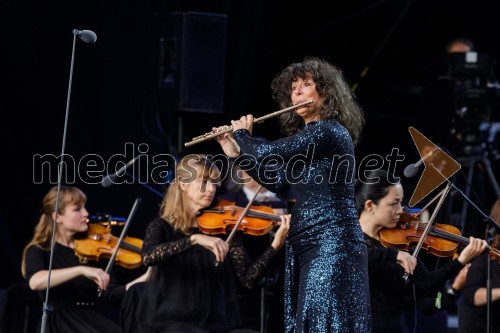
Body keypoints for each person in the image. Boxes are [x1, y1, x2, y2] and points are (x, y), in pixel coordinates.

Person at [215, 56, 370, 332]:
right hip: (309, 244)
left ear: (325, 91)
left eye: (306, 84)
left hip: (331, 243)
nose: (296, 92)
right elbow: (276, 181)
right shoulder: (311, 137)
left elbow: (264, 152)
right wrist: (236, 154)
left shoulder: (328, 132)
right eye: (293, 86)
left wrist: (241, 135)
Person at [126, 154, 290, 333]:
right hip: (176, 319)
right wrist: (194, 239)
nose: (211, 189)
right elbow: (149, 256)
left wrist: (276, 244)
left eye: (214, 183)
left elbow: (248, 279)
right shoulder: (161, 226)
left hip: (218, 321)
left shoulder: (223, 228)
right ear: (184, 185)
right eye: (204, 182)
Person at [355, 169, 489, 333]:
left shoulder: (398, 240)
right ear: (370, 206)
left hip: (400, 327)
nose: (401, 210)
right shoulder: (349, 240)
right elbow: (355, 255)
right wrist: (394, 254)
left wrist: (460, 261)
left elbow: (426, 283)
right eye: (393, 203)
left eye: (401, 202)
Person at [20, 185, 149, 333]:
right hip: (60, 324)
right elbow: (35, 282)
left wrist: (146, 276)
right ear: (57, 217)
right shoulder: (39, 250)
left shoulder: (91, 251)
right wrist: (80, 269)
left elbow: (112, 294)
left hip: (91, 320)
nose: (86, 213)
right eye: (77, 209)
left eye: (84, 208)